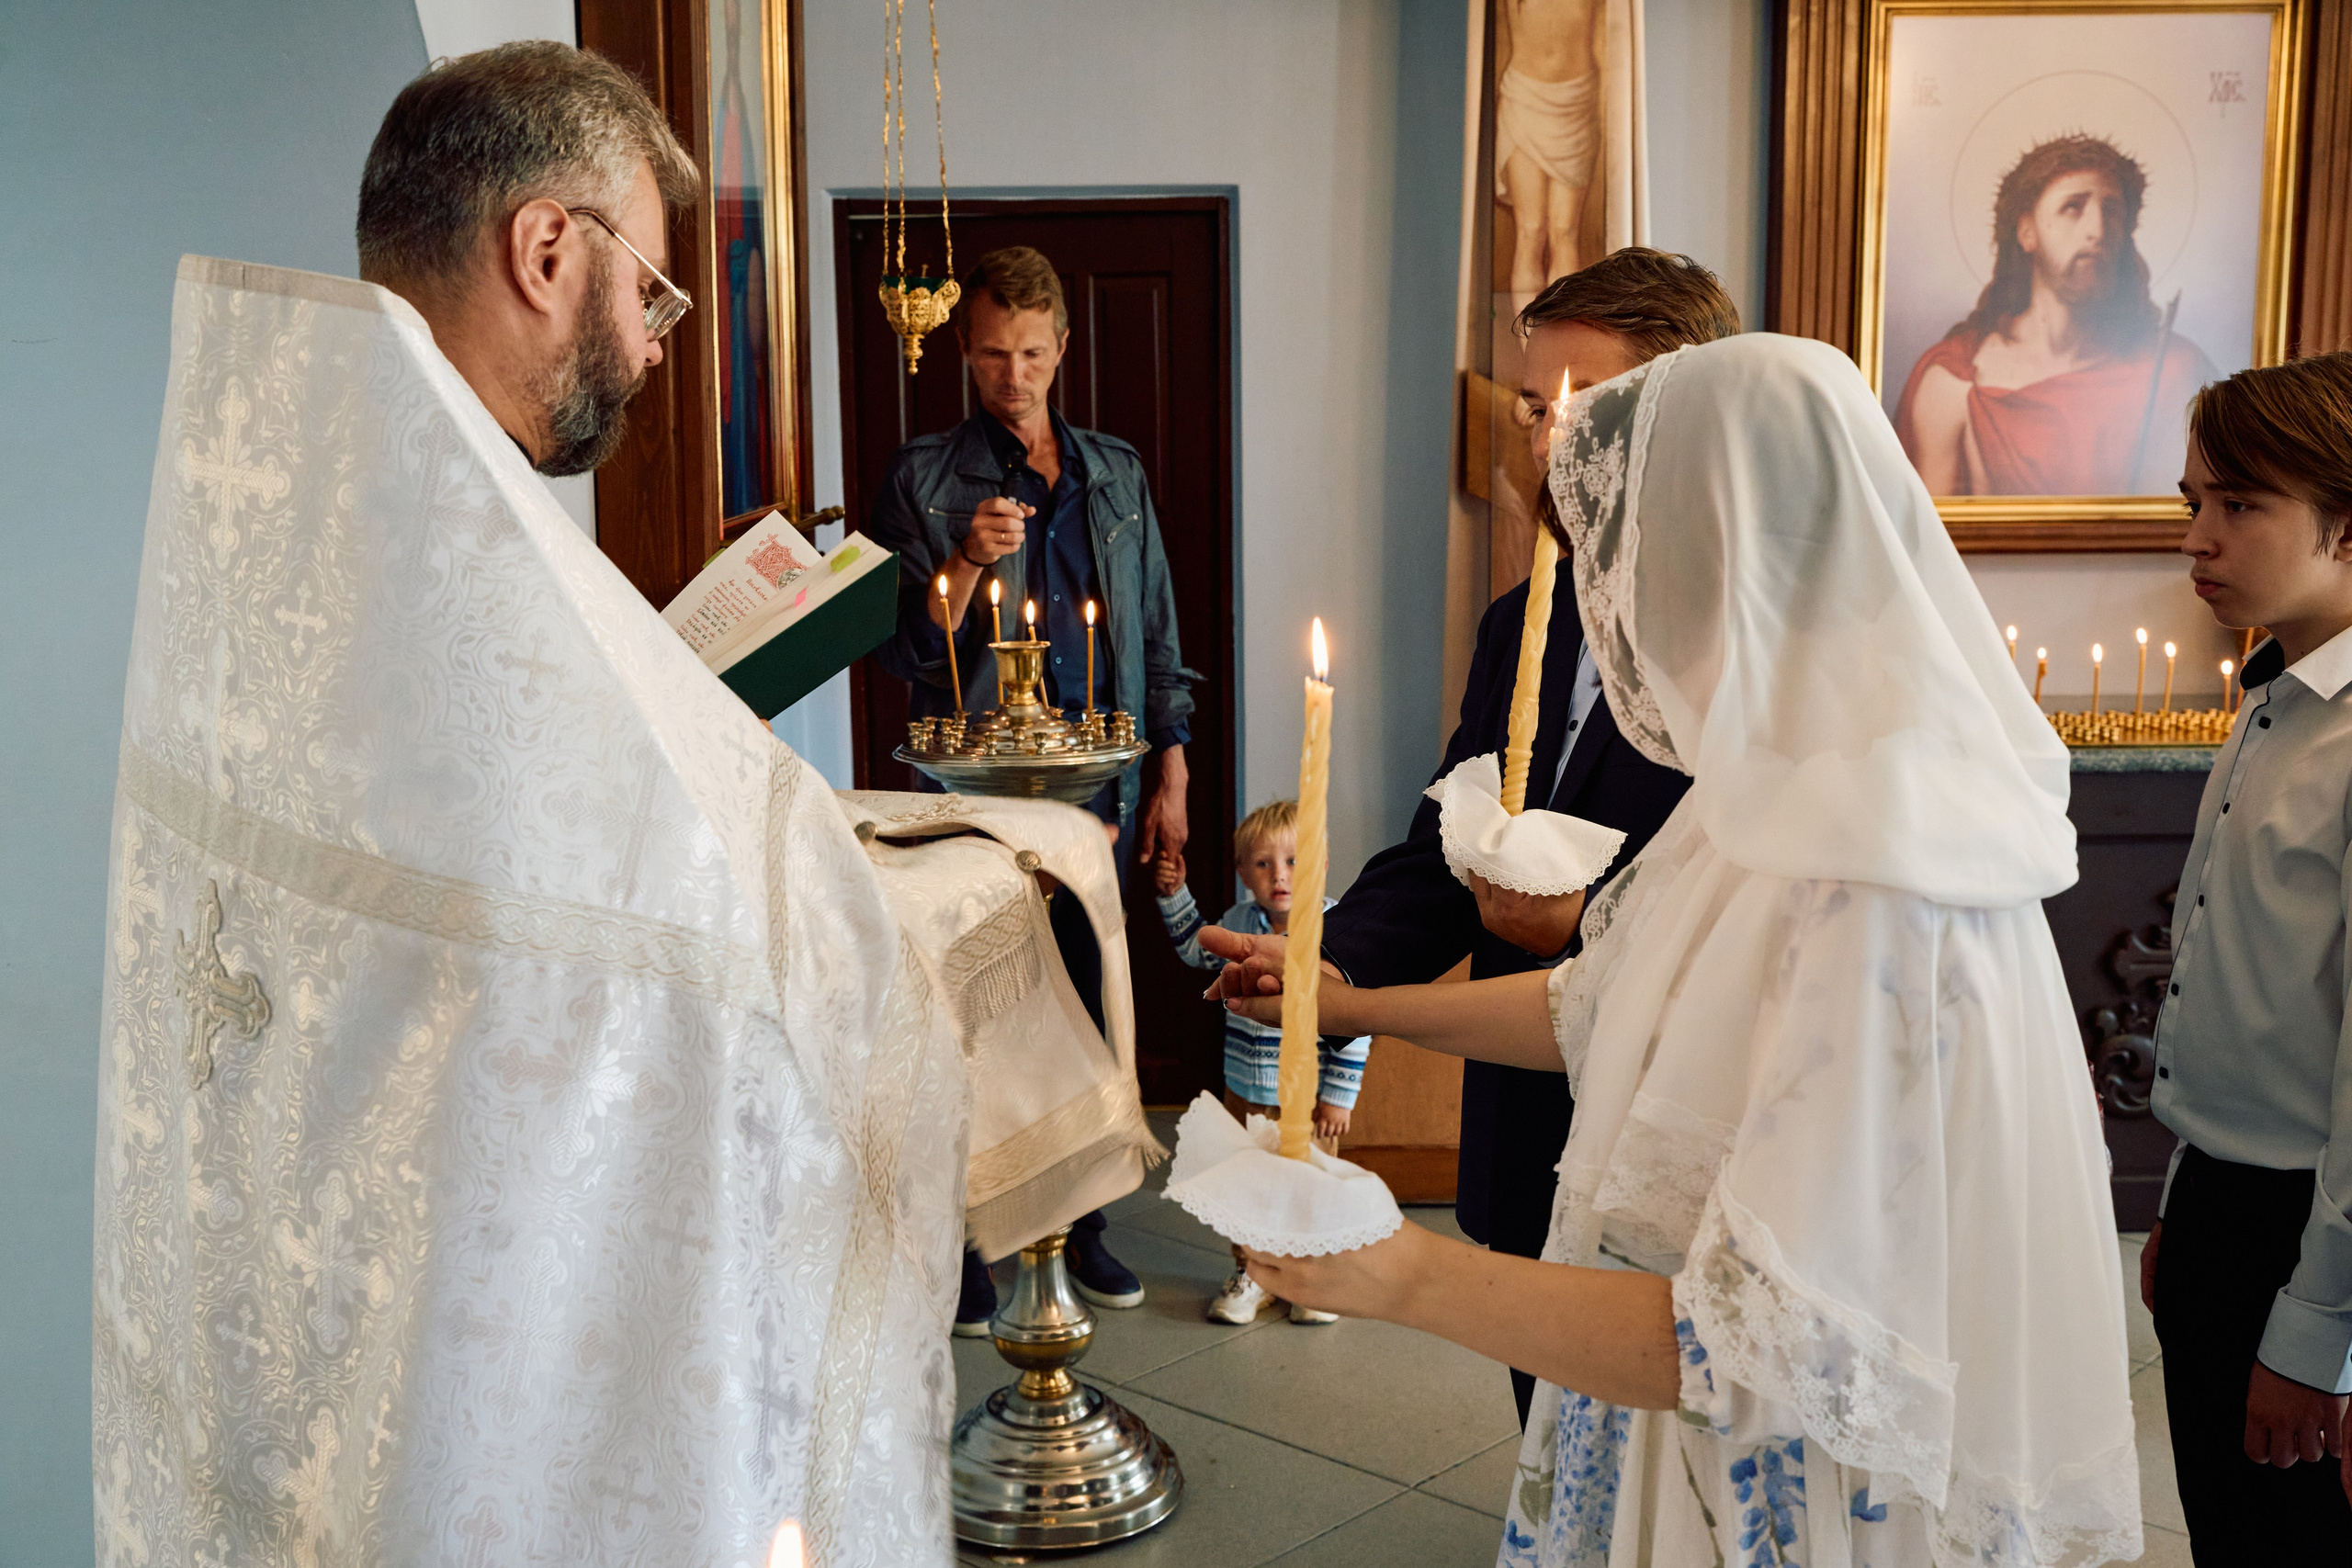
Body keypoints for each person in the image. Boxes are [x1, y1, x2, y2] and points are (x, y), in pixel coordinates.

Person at [93, 45, 1001, 1565]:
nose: (656, 347)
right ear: (546, 247)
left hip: (320, 1273)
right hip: (477, 1335)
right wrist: (874, 913)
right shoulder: (460, 565)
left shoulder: (283, 504)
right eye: (652, 293)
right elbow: (626, 956)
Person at [1220, 333, 2141, 1565]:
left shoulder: (1880, 877)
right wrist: (1354, 1002)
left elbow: (1757, 1342)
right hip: (1666, 1409)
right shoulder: (1772, 788)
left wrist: (1394, 1272)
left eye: (1619, 567)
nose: (1611, 615)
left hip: (1787, 1474)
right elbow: (1598, 1007)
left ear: (1723, 560)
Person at [1204, 247, 1732, 1425]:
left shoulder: (1744, 640)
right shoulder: (1521, 621)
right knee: (1543, 1437)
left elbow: (1754, 894)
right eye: (1534, 408)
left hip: (1670, 1111)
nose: (1546, 440)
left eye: (1580, 409)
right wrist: (1328, 958)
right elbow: (1454, 831)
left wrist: (1585, 923)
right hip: (1523, 1116)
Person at [865, 245, 1189, 1330]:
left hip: (1097, 777)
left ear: (1064, 349)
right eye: (995, 355)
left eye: (1034, 356)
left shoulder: (1115, 472)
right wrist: (960, 561)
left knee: (1089, 1004)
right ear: (965, 349)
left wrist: (1172, 768)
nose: (1015, 377)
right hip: (971, 788)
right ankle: (964, 1239)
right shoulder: (921, 476)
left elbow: (1152, 634)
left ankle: (1083, 1224)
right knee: (972, 1008)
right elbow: (907, 651)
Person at [2141, 351, 2352, 1553]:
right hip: (2225, 1196)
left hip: (2311, 1226)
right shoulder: (2273, 698)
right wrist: (2184, 1198)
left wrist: (2318, 1325)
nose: (2199, 540)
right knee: (2227, 1526)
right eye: (2192, 504)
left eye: (2240, 504)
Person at [1894, 133, 2216, 496]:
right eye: (2073, 208)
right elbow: (1924, 540)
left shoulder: (2177, 370)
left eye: (2111, 211)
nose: (2097, 230)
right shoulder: (1952, 381)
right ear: (2027, 232)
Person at [1156, 799, 1370, 1325]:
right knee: (1247, 1185)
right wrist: (1174, 894)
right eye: (1263, 863)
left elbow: (1354, 1022)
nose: (1280, 875)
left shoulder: (1334, 930)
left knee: (1309, 1186)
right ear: (1243, 873)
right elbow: (1195, 950)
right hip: (1246, 1091)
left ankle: (1308, 1279)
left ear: (1319, 863)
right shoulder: (1240, 923)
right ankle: (1252, 1272)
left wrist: (1338, 1097)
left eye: (1295, 861)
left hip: (1309, 1099)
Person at [1497, 0, 1604, 299]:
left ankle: (1562, 344)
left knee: (1564, 231)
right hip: (1525, 98)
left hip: (1577, 102)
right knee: (1530, 231)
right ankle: (1528, 346)